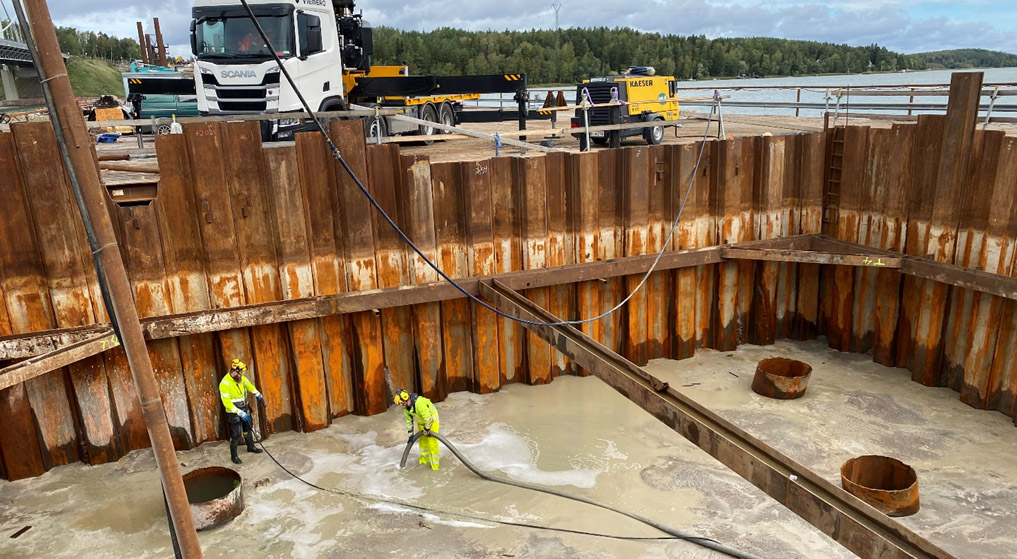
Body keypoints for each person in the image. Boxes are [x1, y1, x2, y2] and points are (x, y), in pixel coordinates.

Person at [219, 358, 265, 464]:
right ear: (235, 371)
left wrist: (257, 394)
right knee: (236, 433)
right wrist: (239, 412)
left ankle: (251, 447)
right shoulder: (224, 383)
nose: (242, 376)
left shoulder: (241, 378)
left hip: (244, 407)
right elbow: (226, 402)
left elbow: (249, 386)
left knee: (248, 428)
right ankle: (234, 456)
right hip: (233, 412)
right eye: (240, 374)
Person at [394, 389, 440, 470]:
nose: (402, 406)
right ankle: (424, 460)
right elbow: (409, 422)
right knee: (422, 442)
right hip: (421, 422)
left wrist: (427, 429)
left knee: (431, 443)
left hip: (432, 421)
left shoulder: (419, 404)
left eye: (402, 404)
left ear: (405, 400)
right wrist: (410, 435)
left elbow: (429, 419)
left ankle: (435, 466)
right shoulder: (407, 409)